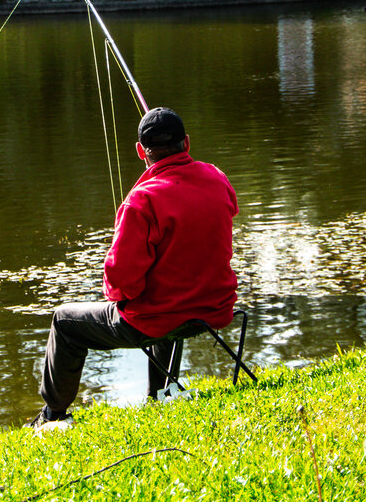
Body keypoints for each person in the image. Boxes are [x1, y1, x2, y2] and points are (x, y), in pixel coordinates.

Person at [29, 106, 239, 431]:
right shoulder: (217, 177)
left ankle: (53, 414)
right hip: (215, 310)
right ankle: (159, 394)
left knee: (64, 322)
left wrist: (117, 293)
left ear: (141, 151)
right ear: (187, 142)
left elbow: (120, 283)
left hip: (166, 318)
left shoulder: (141, 202)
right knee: (169, 296)